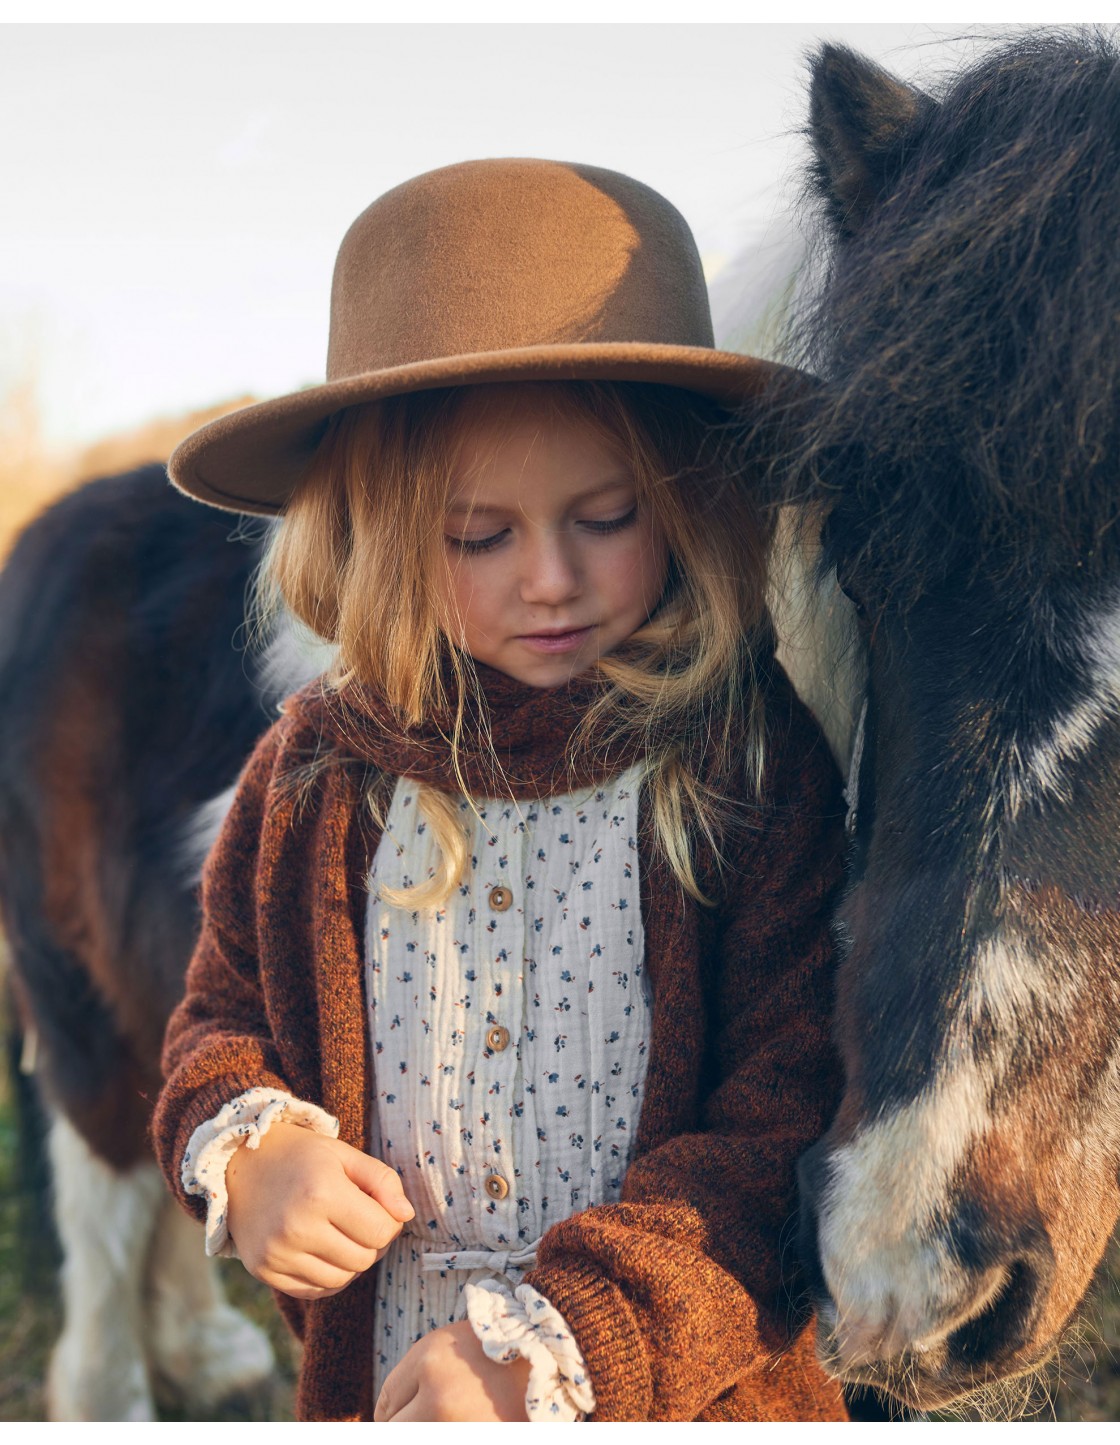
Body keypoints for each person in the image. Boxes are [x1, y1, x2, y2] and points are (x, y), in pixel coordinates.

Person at [153, 158, 847, 1423]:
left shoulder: (742, 768)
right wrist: (255, 1155)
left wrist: (560, 1339)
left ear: (690, 498)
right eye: (478, 534)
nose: (550, 580)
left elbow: (786, 1125)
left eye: (607, 516)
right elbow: (218, 1021)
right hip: (392, 1381)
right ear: (370, 531)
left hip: (676, 1384)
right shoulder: (321, 774)